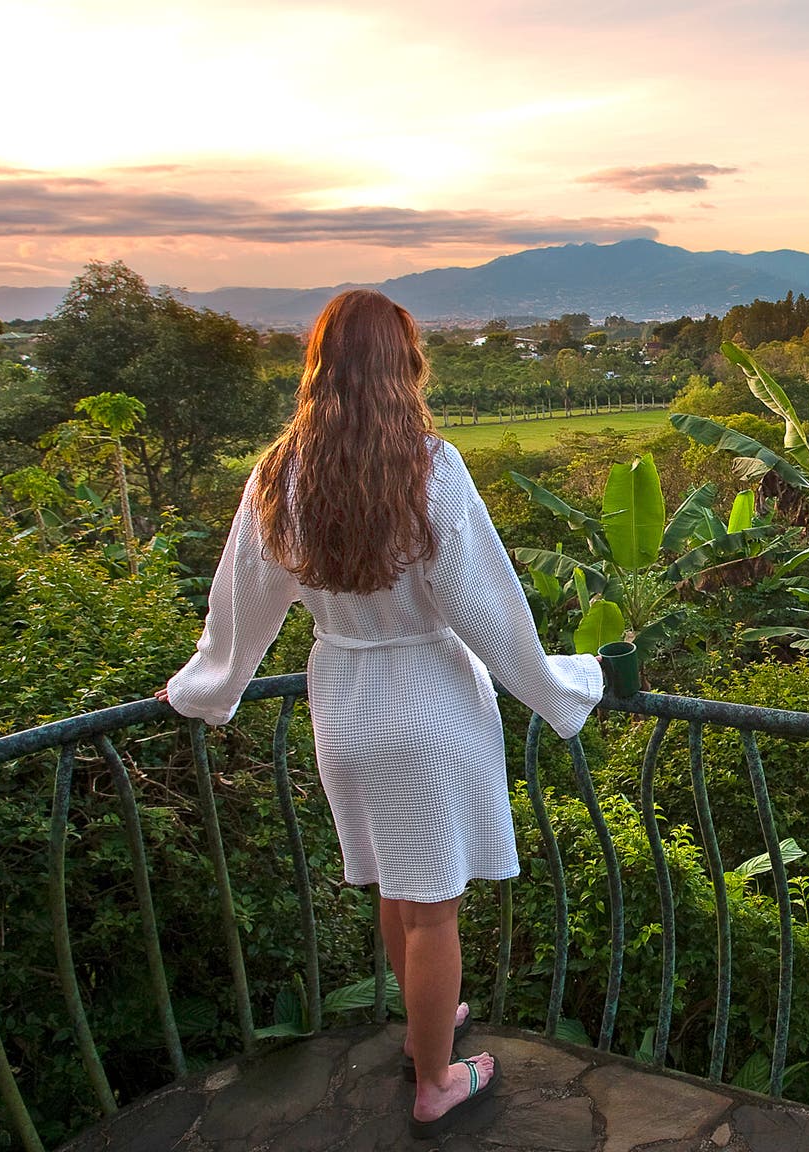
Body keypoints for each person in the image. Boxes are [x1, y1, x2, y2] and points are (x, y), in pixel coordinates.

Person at [159, 289, 602, 1139]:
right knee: (434, 905)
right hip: (430, 700)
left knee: (400, 890)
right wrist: (560, 687)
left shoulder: (280, 472)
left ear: (319, 364)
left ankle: (421, 1034)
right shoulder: (429, 467)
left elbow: (241, 609)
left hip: (347, 707)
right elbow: (485, 608)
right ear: (404, 366)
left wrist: (202, 691)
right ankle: (435, 1080)